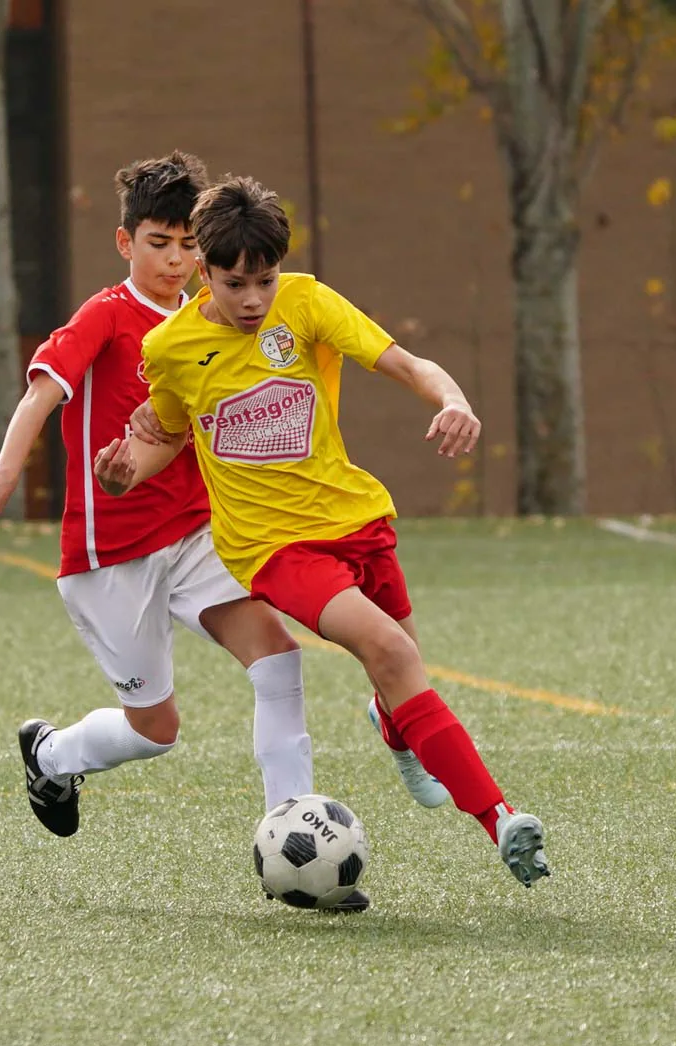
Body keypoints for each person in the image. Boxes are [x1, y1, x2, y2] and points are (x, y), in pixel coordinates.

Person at [97, 175, 551, 888]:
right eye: (234, 282)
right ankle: (502, 819)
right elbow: (166, 436)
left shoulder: (306, 303)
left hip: (355, 517)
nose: (252, 299)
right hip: (272, 547)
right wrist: (123, 471)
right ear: (204, 271)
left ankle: (392, 723)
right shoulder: (172, 348)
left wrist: (454, 397)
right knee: (392, 650)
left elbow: (403, 362)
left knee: (401, 671)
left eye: (264, 280)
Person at [0, 153, 364, 905]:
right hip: (111, 555)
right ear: (124, 243)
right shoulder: (107, 317)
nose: (175, 260)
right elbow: (42, 395)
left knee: (277, 661)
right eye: (157, 242)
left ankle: (293, 850)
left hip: (199, 534)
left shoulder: (222, 317)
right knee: (155, 729)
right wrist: (6, 474)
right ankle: (52, 754)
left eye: (186, 246)